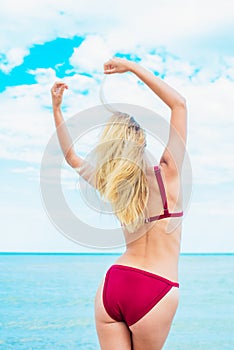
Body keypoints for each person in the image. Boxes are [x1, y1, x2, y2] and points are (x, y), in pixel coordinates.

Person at [51, 57, 187, 350]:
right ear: (142, 143)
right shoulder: (168, 172)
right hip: (157, 287)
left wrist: (57, 109)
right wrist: (132, 67)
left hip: (115, 283)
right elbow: (179, 104)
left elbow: (72, 158)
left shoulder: (114, 183)